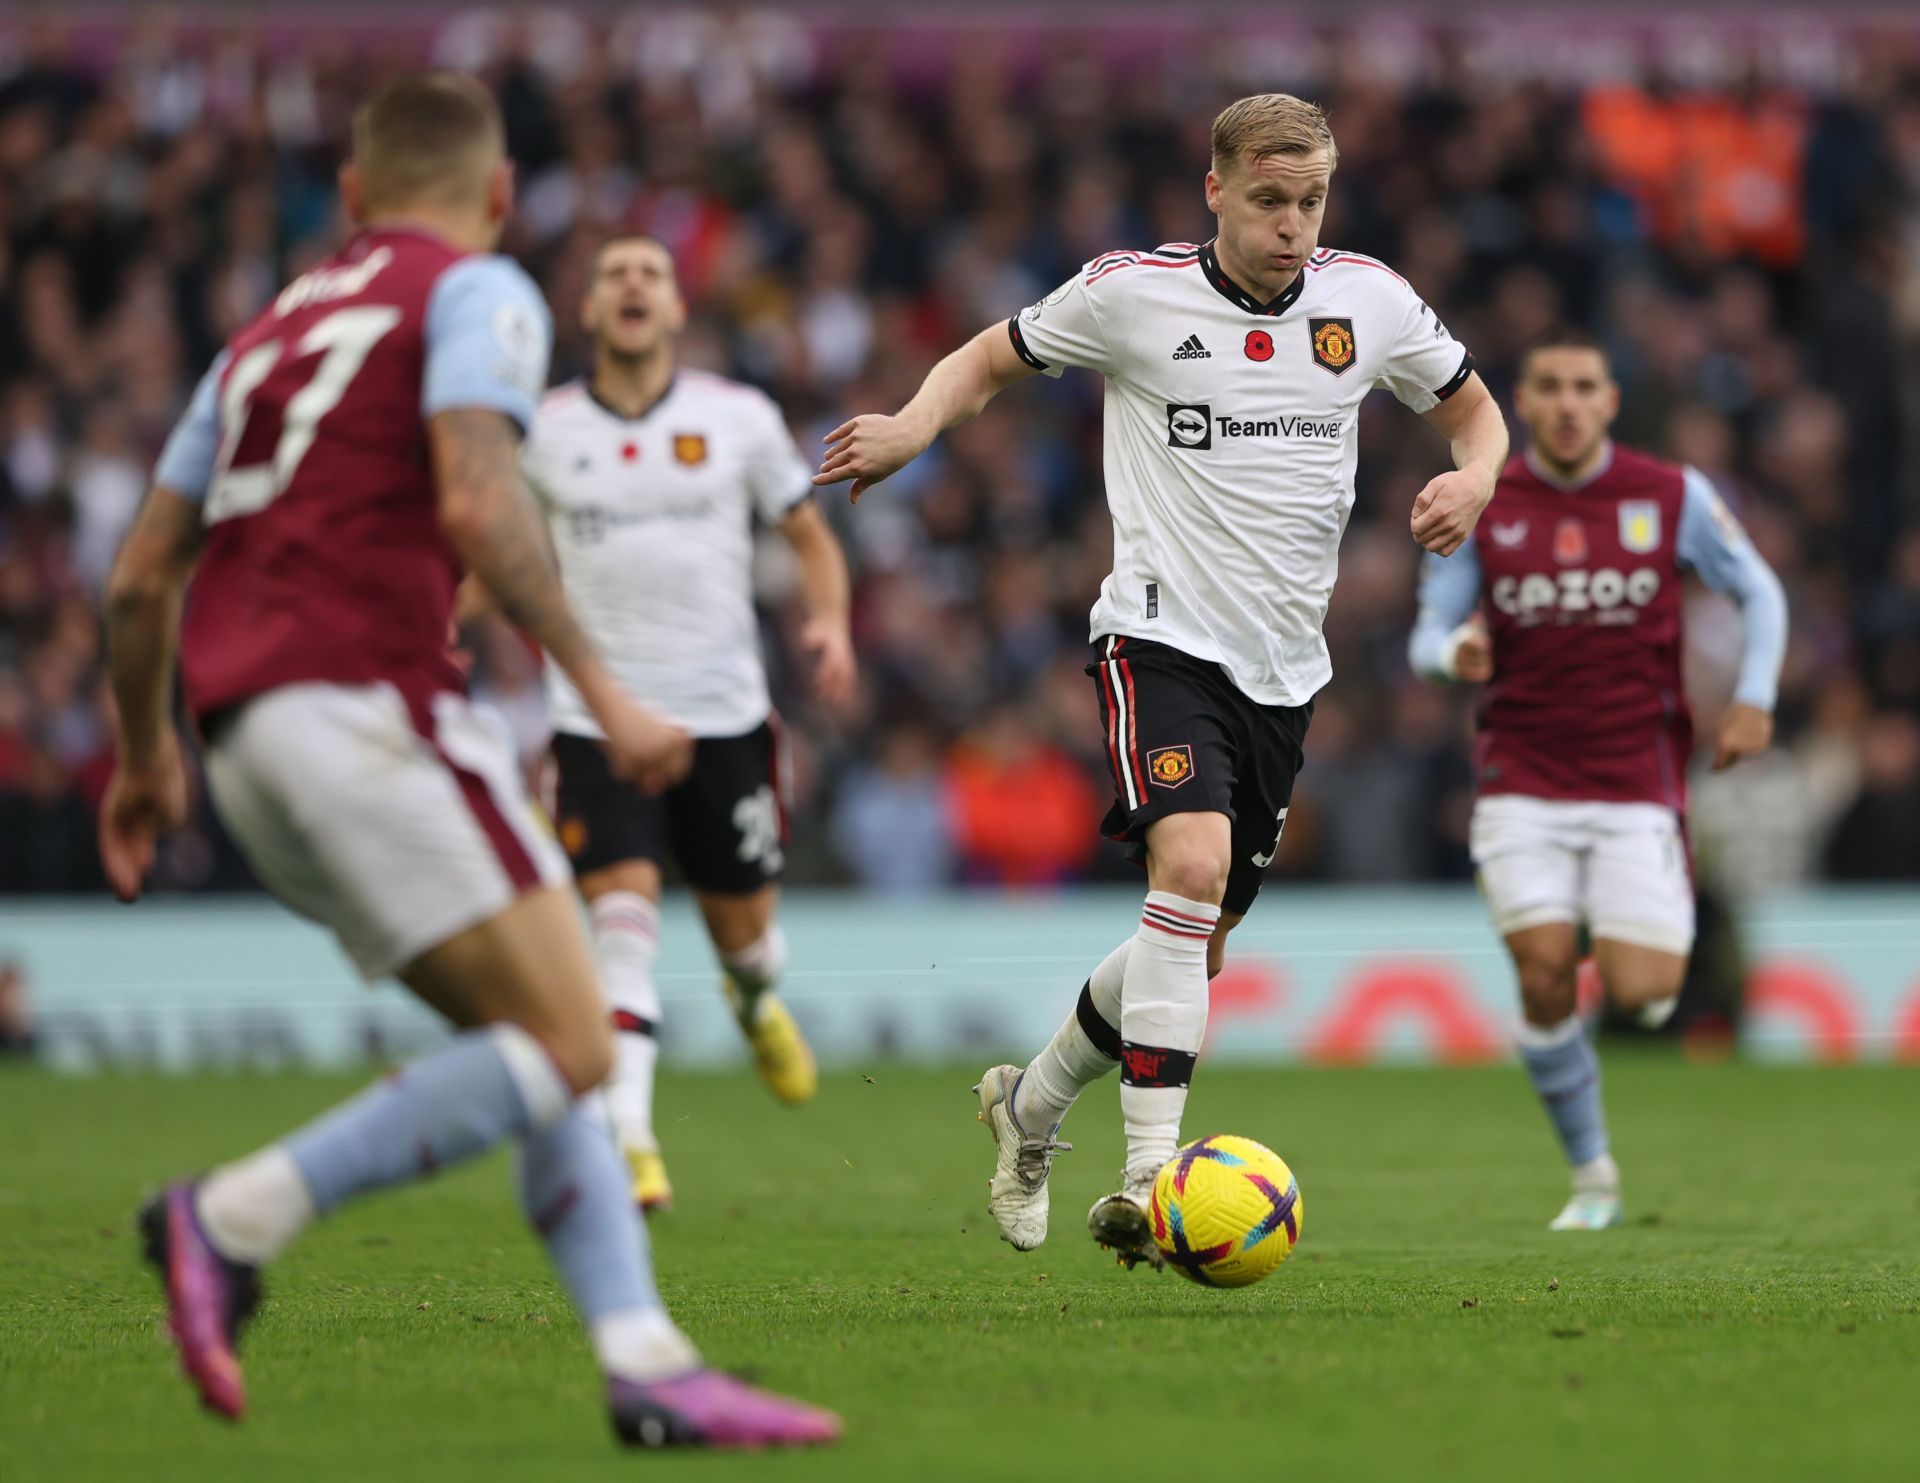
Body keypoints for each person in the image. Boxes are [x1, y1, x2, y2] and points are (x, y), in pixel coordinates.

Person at [98, 73, 837, 1448]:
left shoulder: (257, 340)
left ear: (357, 195)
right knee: (569, 1036)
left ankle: (645, 1355)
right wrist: (606, 689)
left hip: (240, 734)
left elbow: (141, 581)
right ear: (498, 196)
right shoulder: (475, 290)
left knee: (542, 1033)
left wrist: (144, 759)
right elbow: (477, 494)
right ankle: (229, 1213)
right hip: (369, 710)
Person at [815, 94, 1510, 1268]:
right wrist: (916, 425)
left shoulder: (1371, 302)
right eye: (1270, 201)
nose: (1293, 227)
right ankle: (1154, 1179)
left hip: (1286, 669)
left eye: (1311, 203)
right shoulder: (1131, 293)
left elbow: (1476, 416)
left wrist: (1478, 481)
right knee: (1186, 867)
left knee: (1194, 940)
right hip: (1157, 635)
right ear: (1217, 191)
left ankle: (1029, 1110)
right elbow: (990, 356)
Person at [1408, 326, 1787, 1230]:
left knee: (1643, 993)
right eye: (1550, 387)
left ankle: (1602, 941)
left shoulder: (1669, 495)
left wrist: (1755, 698)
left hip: (1637, 786)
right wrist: (1449, 654)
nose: (1569, 403)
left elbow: (1760, 590)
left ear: (1610, 402)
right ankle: (1594, 1175)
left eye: (1585, 386)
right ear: (1525, 404)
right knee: (1543, 975)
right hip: (1520, 781)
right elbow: (1427, 630)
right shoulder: (1486, 502)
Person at [517, 233, 855, 1213]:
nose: (631, 285)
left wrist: (828, 620)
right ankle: (631, 1138)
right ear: (587, 310)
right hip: (596, 723)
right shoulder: (542, 430)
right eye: (612, 272)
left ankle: (753, 1000)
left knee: (744, 935)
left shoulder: (740, 418)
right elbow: (494, 554)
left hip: (725, 720)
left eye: (650, 273)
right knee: (620, 928)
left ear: (675, 307)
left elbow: (808, 536)